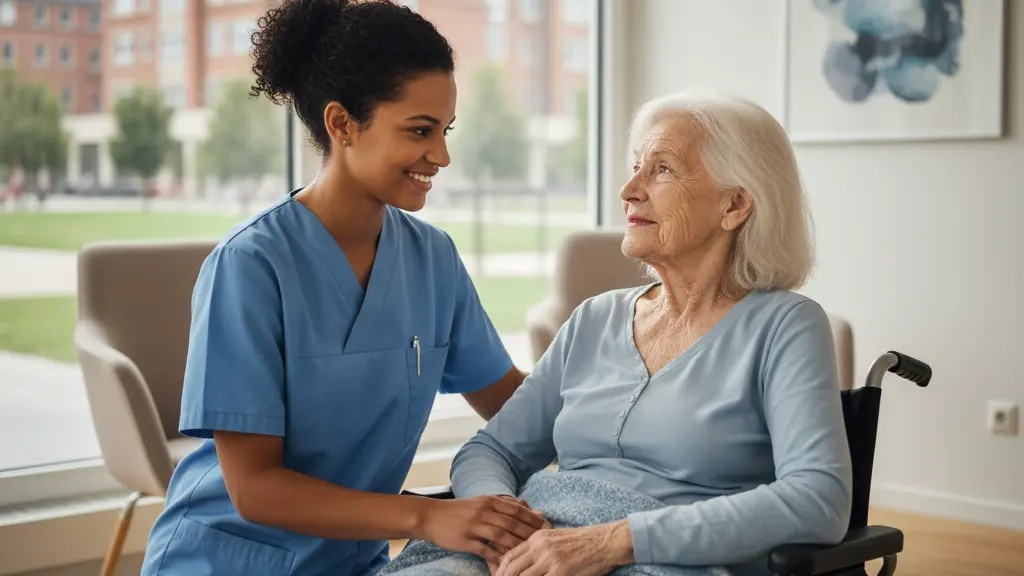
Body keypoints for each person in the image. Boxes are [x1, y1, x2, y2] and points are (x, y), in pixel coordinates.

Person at [139, 1, 550, 574]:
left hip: (352, 563)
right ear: (342, 124)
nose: (442, 155)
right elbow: (255, 489)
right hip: (224, 559)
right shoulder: (250, 267)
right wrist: (424, 516)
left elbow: (511, 405)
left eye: (445, 130)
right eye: (419, 131)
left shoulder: (433, 259)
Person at [385, 91, 854, 576]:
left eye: (663, 169)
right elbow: (492, 450)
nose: (630, 189)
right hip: (530, 548)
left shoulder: (786, 326)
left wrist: (617, 540)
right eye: (635, 166)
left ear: (734, 205)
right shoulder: (594, 319)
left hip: (657, 561)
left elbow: (818, 499)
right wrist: (503, 518)